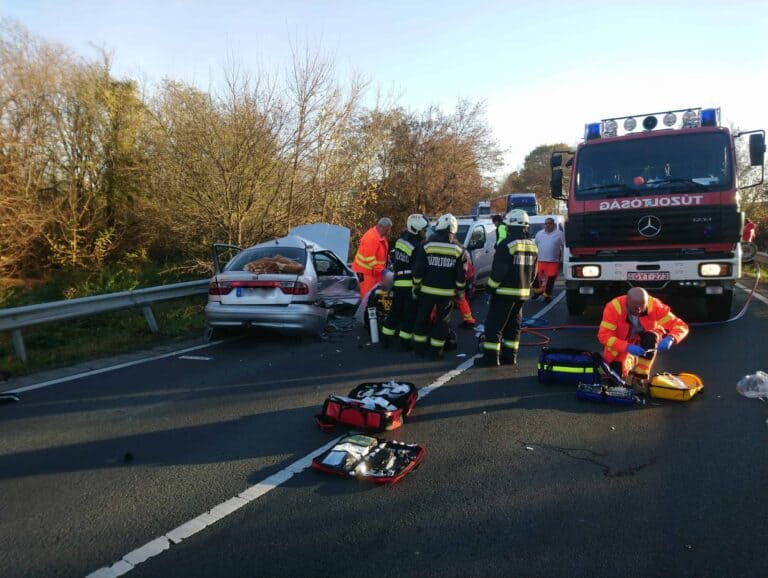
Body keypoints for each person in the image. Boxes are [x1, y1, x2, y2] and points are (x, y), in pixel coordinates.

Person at [597, 287, 689, 392]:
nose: (639, 310)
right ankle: (631, 360)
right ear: (627, 302)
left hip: (646, 337)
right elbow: (604, 335)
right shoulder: (613, 308)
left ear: (646, 302)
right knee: (614, 377)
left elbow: (680, 325)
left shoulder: (655, 305)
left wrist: (671, 338)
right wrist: (627, 347)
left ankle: (640, 377)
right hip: (623, 343)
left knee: (650, 338)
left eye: (642, 307)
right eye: (635, 308)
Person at [479, 209, 538, 367]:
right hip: (522, 293)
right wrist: (526, 286)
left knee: (494, 326)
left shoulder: (506, 244)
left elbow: (499, 272)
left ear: (510, 225)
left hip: (504, 293)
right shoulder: (532, 246)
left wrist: (490, 289)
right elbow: (534, 273)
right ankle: (510, 357)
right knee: (513, 327)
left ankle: (491, 358)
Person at [412, 213, 469, 360]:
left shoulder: (426, 245)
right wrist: (460, 291)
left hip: (426, 291)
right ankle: (436, 352)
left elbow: (419, 269)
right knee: (441, 323)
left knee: (422, 318)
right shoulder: (459, 249)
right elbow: (461, 275)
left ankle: (419, 348)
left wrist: (416, 285)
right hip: (446, 294)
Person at [381, 214, 429, 349]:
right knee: (409, 315)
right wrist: (417, 286)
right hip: (409, 284)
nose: (425, 233)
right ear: (416, 229)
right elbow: (417, 268)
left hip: (398, 282)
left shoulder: (401, 240)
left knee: (395, 312)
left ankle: (386, 338)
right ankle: (404, 343)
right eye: (423, 230)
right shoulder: (418, 246)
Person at [352, 217, 392, 299]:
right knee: (366, 297)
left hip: (374, 273)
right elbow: (370, 260)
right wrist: (383, 271)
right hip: (364, 274)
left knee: (374, 296)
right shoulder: (371, 238)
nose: (389, 231)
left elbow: (380, 253)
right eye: (388, 229)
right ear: (382, 228)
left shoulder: (380, 236)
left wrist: (386, 259)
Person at [531, 217, 565, 302]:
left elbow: (564, 246)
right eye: (546, 224)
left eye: (549, 223)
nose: (547, 225)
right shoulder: (539, 233)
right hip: (540, 260)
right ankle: (538, 291)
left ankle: (547, 295)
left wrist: (563, 257)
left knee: (550, 280)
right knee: (535, 279)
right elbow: (535, 246)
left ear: (553, 224)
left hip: (553, 261)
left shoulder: (559, 234)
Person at [454, 259, 477, 326]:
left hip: (462, 276)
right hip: (466, 274)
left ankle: (434, 319)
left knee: (460, 298)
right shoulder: (460, 253)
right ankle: (469, 320)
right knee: (461, 299)